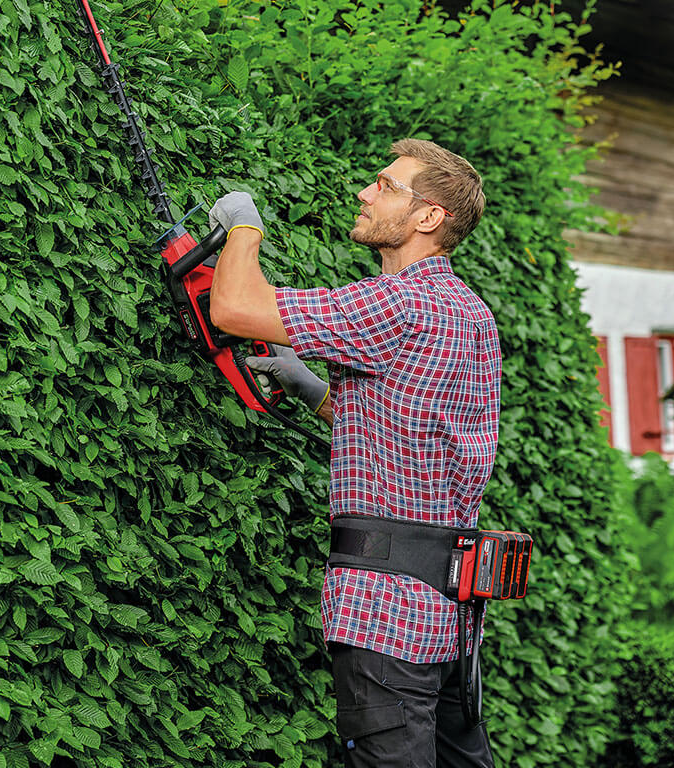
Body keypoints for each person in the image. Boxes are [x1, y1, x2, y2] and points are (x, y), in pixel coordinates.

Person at [207, 138, 500, 768]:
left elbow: (234, 307)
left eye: (387, 186)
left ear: (429, 217)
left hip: (384, 613)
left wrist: (244, 227)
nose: (366, 193)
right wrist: (311, 386)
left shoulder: (402, 301)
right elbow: (411, 423)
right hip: (444, 617)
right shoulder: (470, 312)